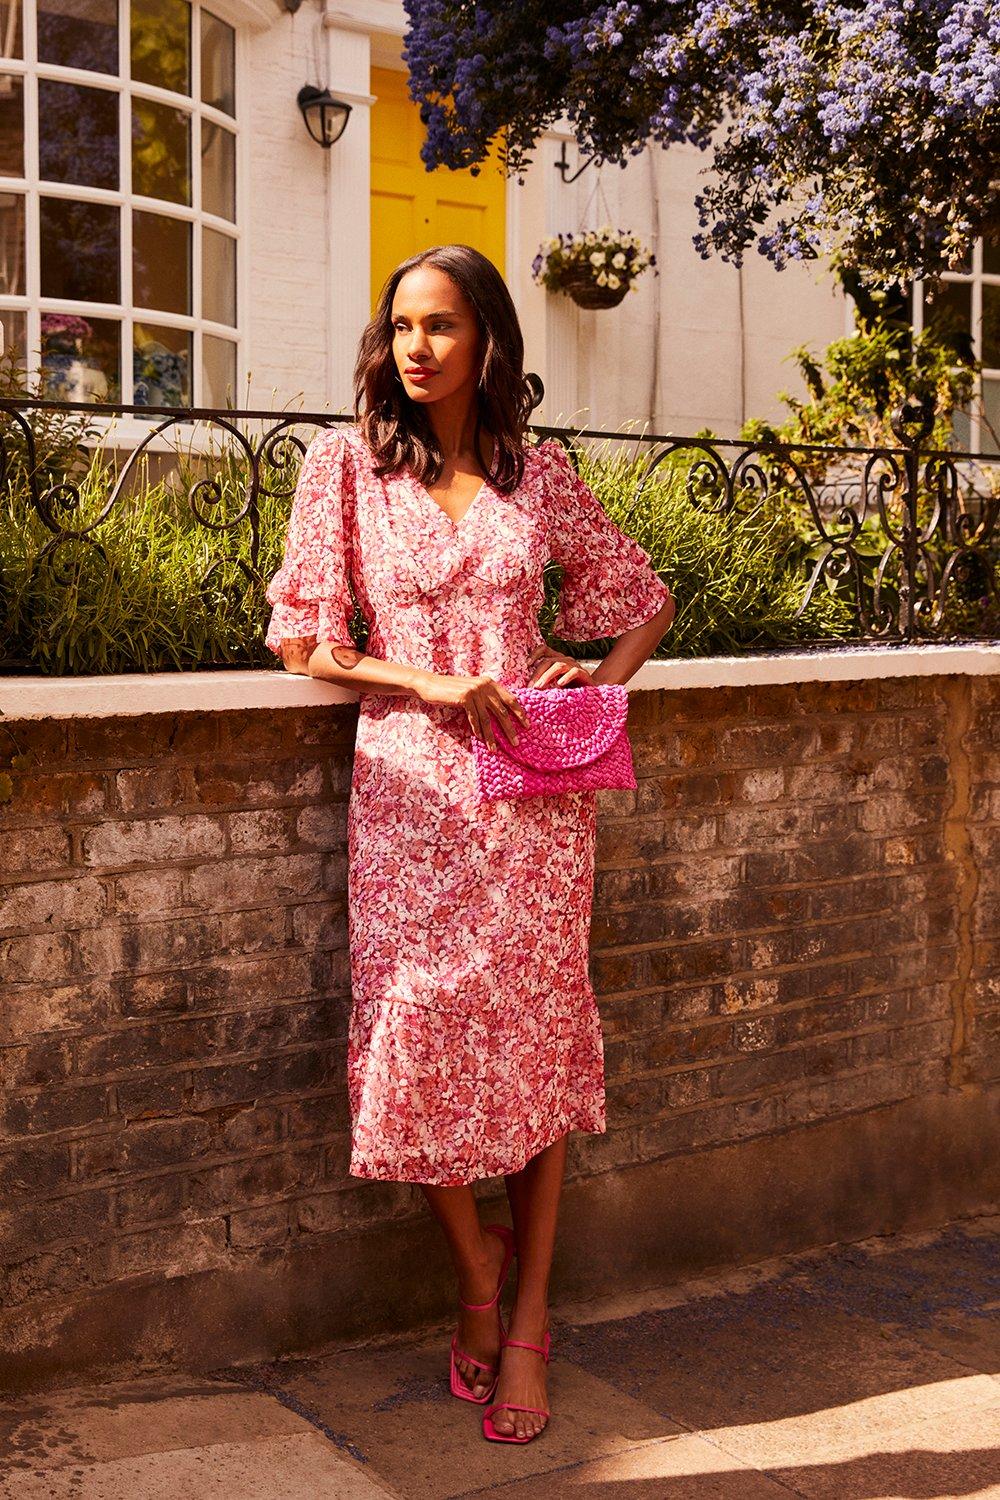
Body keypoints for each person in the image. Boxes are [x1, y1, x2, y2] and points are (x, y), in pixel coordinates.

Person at [264, 243, 675, 1444]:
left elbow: (641, 597)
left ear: (487, 338)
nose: (417, 347)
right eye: (401, 326)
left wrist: (587, 670)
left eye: (440, 325)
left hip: (536, 806)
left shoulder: (533, 474)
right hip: (406, 795)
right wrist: (427, 685)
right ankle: (478, 1272)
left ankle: (531, 1319)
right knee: (412, 1037)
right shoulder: (343, 468)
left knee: (538, 1046)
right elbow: (306, 642)